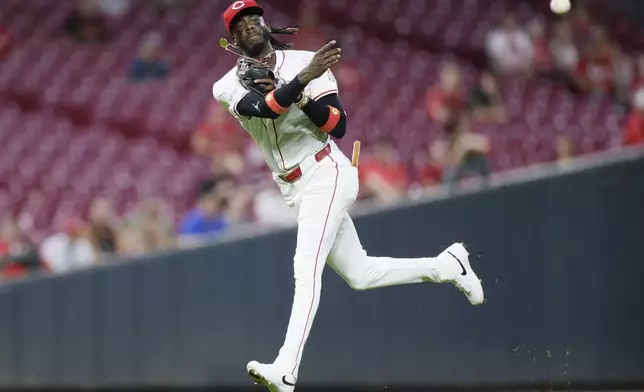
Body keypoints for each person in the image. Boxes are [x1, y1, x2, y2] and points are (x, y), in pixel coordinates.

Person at [211, 2, 485, 391]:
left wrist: (304, 91)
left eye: (256, 18)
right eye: (240, 24)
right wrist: (301, 80)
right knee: (360, 274)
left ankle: (286, 368)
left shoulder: (307, 61)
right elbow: (267, 109)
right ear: (232, 40)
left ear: (268, 25)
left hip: (327, 172)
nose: (250, 25)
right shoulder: (226, 85)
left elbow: (338, 125)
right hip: (293, 187)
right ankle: (446, 265)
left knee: (305, 266)